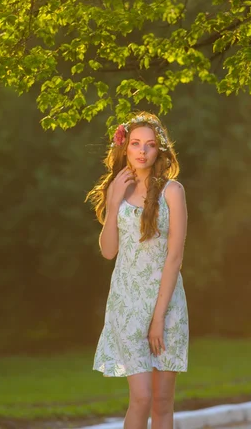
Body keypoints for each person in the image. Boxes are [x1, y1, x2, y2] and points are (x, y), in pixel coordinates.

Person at [86, 112, 189, 429]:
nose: (142, 151)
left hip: (166, 304)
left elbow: (174, 259)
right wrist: (114, 202)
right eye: (135, 143)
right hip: (127, 303)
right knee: (141, 397)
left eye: (150, 145)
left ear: (159, 150)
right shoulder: (117, 189)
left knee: (161, 403)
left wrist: (158, 318)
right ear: (125, 147)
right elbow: (108, 251)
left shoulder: (172, 191)